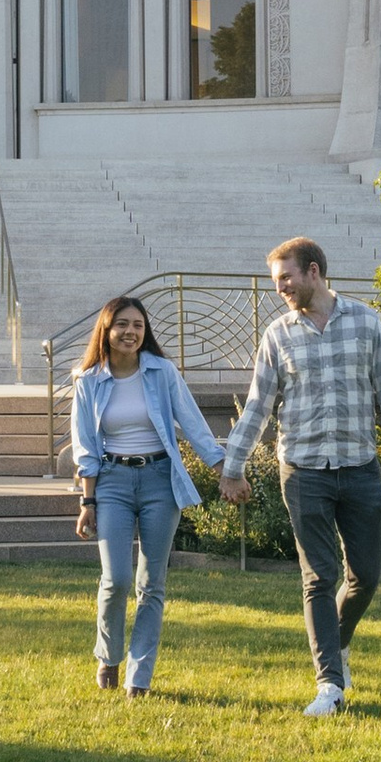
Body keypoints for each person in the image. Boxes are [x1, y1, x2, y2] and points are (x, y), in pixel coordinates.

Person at [219, 238, 381, 715]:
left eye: (286, 278)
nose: (280, 288)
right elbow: (258, 406)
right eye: (276, 281)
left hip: (360, 467)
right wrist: (233, 467)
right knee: (319, 577)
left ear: (313, 271)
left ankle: (337, 642)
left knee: (365, 576)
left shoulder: (366, 323)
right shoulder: (277, 335)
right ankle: (330, 684)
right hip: (303, 471)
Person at [70, 294, 223, 695]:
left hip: (160, 481)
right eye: (122, 324)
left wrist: (223, 468)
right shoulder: (88, 380)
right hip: (112, 483)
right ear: (106, 329)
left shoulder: (161, 371)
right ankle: (108, 657)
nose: (130, 332)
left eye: (138, 325)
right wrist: (88, 502)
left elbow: (192, 421)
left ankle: (139, 677)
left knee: (152, 583)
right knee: (116, 578)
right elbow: (84, 446)